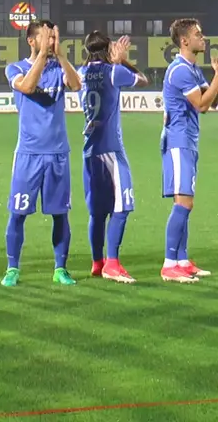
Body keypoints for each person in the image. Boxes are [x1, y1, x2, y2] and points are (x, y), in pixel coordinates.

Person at [1, 21, 82, 287]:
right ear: (31, 41)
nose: (51, 41)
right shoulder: (16, 68)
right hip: (28, 153)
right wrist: (43, 57)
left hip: (58, 153)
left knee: (60, 214)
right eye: (46, 37)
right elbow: (26, 87)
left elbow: (76, 85)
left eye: (54, 37)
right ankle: (12, 268)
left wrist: (61, 56)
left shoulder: (59, 68)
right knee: (18, 213)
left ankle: (61, 268)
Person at [160, 18, 218, 283]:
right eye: (198, 34)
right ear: (184, 41)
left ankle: (182, 260)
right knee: (184, 203)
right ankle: (169, 264)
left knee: (185, 203)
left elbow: (214, 102)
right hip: (178, 141)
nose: (203, 38)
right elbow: (201, 104)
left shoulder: (192, 69)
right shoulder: (180, 70)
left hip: (188, 141)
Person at [79, 31, 148, 283]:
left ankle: (97, 262)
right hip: (111, 149)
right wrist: (122, 61)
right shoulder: (113, 72)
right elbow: (143, 80)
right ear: (109, 49)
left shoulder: (81, 73)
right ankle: (112, 263)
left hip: (90, 150)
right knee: (122, 206)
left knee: (97, 212)